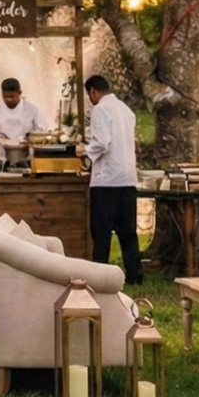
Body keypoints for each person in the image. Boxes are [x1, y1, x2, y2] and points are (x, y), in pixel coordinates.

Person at [84, 74, 143, 285]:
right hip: (127, 178)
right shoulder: (125, 110)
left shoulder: (100, 109)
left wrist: (84, 152)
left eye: (90, 96)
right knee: (128, 231)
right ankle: (135, 274)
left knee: (101, 231)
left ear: (93, 91)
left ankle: (100, 276)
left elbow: (101, 143)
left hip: (106, 180)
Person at [0, 77, 47, 162]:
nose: (9, 100)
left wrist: (30, 141)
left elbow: (42, 133)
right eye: (5, 96)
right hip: (3, 157)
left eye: (12, 96)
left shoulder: (32, 110)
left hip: (27, 157)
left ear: (20, 93)